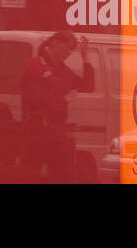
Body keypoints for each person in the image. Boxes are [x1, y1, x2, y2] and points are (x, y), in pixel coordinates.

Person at [21, 32, 95, 181]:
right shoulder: (35, 64)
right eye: (68, 48)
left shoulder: (64, 70)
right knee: (30, 175)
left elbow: (87, 85)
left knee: (62, 176)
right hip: (37, 131)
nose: (69, 53)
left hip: (57, 132)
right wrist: (63, 97)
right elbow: (36, 98)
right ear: (55, 44)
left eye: (72, 50)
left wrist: (85, 57)